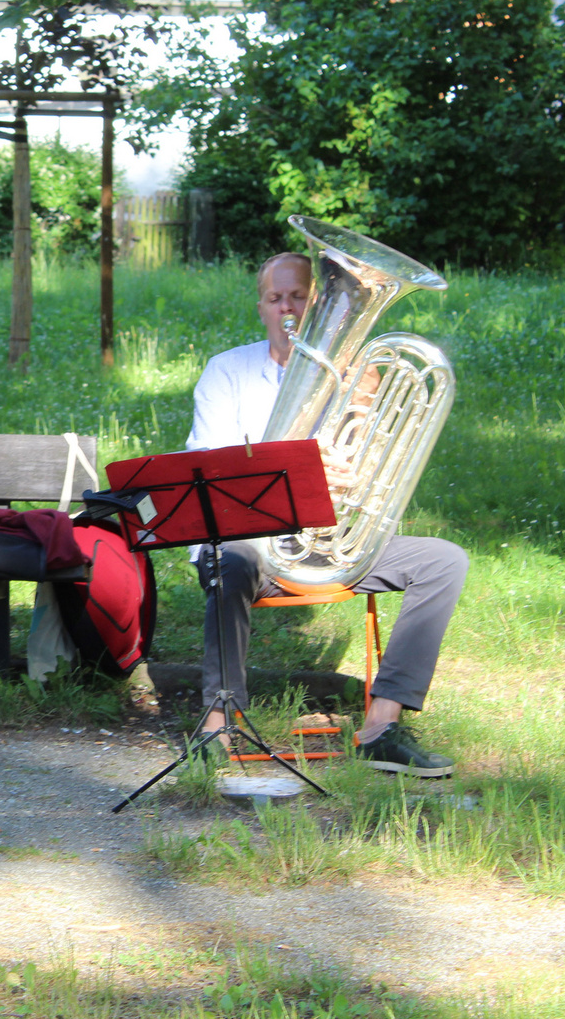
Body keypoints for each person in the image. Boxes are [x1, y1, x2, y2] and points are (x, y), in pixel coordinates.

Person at [186, 252, 468, 777]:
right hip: (252, 541)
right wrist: (302, 473)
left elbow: (375, 478)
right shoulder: (227, 371)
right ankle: (217, 725)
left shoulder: (358, 375)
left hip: (329, 544)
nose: (288, 308)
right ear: (261, 307)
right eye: (276, 298)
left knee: (444, 561)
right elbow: (210, 475)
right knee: (232, 557)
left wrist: (361, 457)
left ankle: (382, 726)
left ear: (317, 302)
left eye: (300, 296)